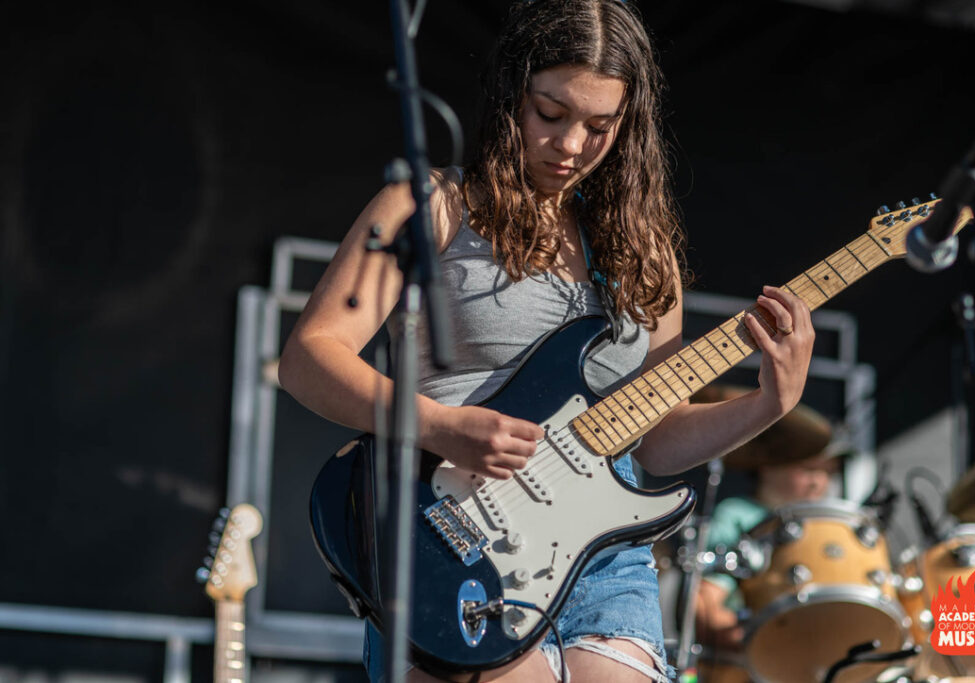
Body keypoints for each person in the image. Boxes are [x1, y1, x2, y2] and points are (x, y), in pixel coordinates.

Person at [278, 1, 815, 681]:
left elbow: (649, 436)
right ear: (511, 94)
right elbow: (308, 357)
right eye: (550, 114)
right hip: (453, 539)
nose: (569, 146)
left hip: (604, 561)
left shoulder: (646, 252)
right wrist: (443, 425)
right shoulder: (436, 205)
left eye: (598, 126)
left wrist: (767, 404)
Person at [691, 387, 838, 653]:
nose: (818, 482)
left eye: (827, 471)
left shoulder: (829, 527)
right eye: (808, 469)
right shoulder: (736, 515)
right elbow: (705, 609)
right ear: (768, 465)